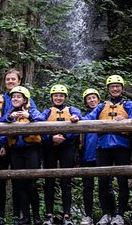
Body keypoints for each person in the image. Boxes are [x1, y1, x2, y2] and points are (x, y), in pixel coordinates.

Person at [84, 75, 132, 225]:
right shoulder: (101, 106)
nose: (115, 89)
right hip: (103, 147)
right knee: (103, 181)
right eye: (112, 87)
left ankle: (120, 215)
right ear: (108, 89)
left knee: (122, 181)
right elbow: (89, 118)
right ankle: (106, 214)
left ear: (122, 89)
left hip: (122, 146)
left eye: (118, 86)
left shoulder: (128, 104)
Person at [0, 68, 37, 225]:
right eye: (7, 79)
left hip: (22, 145)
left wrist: (28, 115)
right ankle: (1, 217)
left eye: (13, 79)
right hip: (3, 145)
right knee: (0, 181)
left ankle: (20, 216)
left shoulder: (27, 100)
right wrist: (2, 143)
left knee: (21, 181)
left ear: (19, 81)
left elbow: (37, 117)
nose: (10, 81)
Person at [0, 86, 45, 225]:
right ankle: (25, 217)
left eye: (18, 97)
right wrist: (8, 118)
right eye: (13, 97)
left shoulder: (32, 111)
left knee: (31, 184)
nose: (15, 99)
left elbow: (42, 120)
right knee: (20, 184)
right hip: (16, 151)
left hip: (31, 150)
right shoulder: (9, 113)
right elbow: (0, 125)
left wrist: (28, 116)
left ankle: (36, 216)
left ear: (25, 100)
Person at [41, 84, 82, 225]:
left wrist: (65, 137)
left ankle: (67, 215)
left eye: (61, 95)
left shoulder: (72, 110)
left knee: (66, 182)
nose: (58, 98)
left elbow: (79, 124)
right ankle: (49, 215)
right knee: (49, 182)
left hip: (67, 147)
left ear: (65, 97)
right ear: (52, 97)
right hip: (50, 148)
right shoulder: (46, 112)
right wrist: (51, 138)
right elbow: (39, 127)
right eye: (56, 95)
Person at [80, 88, 101, 225]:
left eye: (94, 97)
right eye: (89, 98)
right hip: (87, 156)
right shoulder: (84, 117)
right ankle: (88, 215)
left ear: (98, 99)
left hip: (102, 154)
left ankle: (109, 214)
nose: (92, 100)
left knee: (105, 186)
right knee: (87, 187)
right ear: (86, 102)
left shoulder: (105, 112)